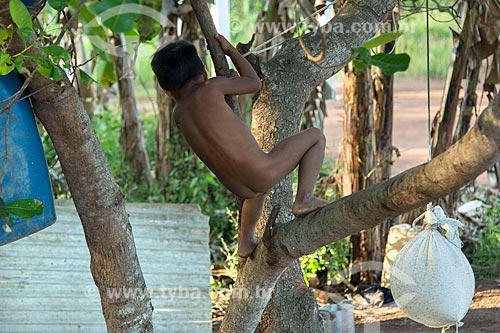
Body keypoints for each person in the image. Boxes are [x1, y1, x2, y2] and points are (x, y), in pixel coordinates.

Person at [151, 34, 328, 258]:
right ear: (204, 72)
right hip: (263, 173)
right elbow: (254, 83)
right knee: (315, 137)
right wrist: (230, 51)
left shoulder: (179, 115)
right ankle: (303, 199)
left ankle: (245, 242)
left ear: (166, 90)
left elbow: (212, 121)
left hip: (238, 188)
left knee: (257, 194)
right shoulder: (212, 87)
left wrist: (226, 85)